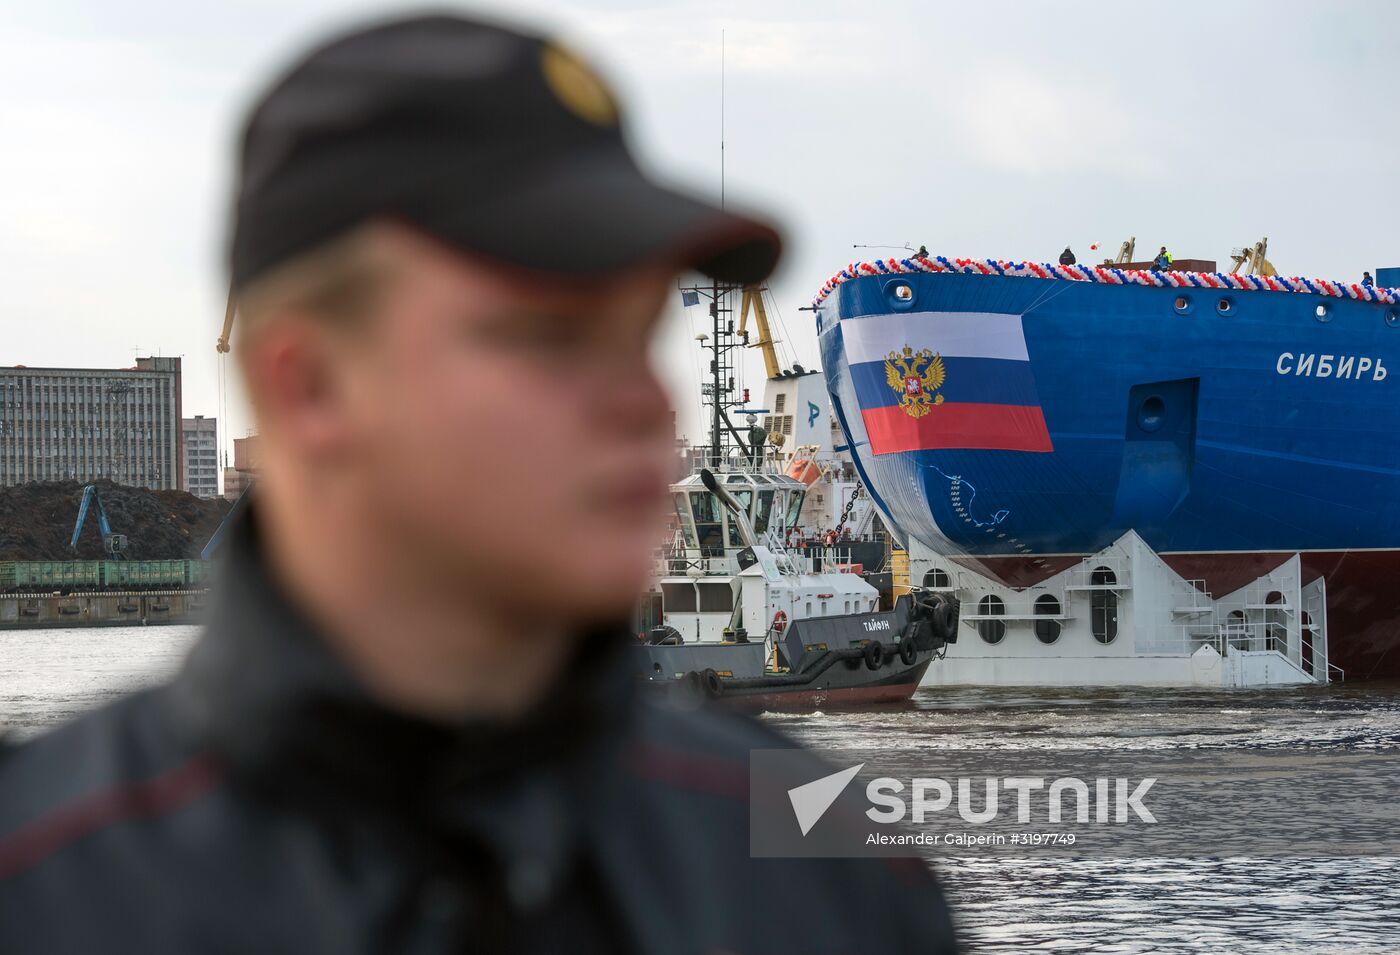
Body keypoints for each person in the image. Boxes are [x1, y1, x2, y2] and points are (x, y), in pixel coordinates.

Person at [0, 13, 959, 954]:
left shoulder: (834, 873)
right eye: (549, 336)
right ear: (311, 387)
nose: (640, 398)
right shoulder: (39, 884)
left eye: (633, 335)